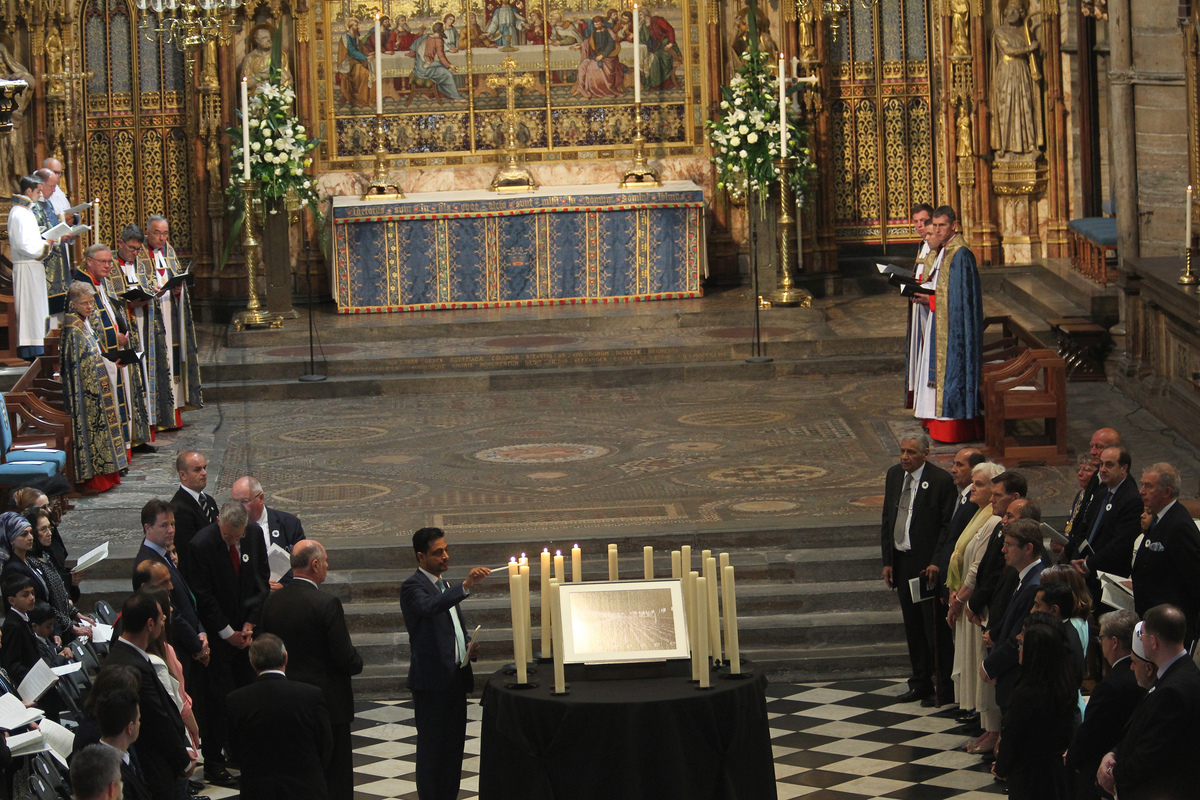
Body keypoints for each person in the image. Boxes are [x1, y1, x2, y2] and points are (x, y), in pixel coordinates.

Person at [260, 540, 362, 800]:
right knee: (335, 776)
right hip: (327, 703)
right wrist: (357, 662)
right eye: (325, 561)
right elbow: (344, 655)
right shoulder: (326, 603)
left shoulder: (272, 602)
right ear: (314, 564)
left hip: (288, 701)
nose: (327, 566)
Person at [401, 527, 491, 800]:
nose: (445, 556)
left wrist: (466, 646)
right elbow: (430, 608)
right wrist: (465, 586)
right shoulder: (413, 587)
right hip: (431, 683)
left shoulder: (444, 586)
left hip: (455, 678)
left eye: (446, 549)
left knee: (453, 751)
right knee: (432, 752)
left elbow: (450, 627)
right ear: (420, 556)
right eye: (437, 552)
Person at [183, 501, 268, 788]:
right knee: (217, 702)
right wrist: (227, 631)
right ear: (219, 521)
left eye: (237, 536)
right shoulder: (201, 544)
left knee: (247, 696)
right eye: (229, 536)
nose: (233, 541)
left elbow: (261, 582)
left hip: (247, 633)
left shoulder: (253, 535)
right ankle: (215, 764)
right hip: (220, 637)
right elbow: (203, 596)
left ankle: (243, 752)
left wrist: (250, 624)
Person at [880, 433, 956, 704]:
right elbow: (888, 518)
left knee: (932, 627)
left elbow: (947, 526)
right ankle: (919, 681)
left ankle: (943, 685)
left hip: (927, 566)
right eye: (902, 451)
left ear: (926, 453)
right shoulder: (893, 475)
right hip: (902, 561)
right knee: (912, 626)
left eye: (911, 452)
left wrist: (937, 560)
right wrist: (888, 560)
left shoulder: (940, 481)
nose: (904, 457)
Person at [1099, 605, 1200, 800]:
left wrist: (1113, 775)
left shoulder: (1173, 691)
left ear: (1153, 642)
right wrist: (1114, 753)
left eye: (1143, 636)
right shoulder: (1178, 673)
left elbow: (1149, 755)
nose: (1140, 640)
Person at [103, 589, 192, 800]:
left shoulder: (128, 655)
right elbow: (158, 719)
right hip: (155, 766)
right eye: (161, 619)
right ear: (150, 624)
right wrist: (183, 759)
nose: (164, 622)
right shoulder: (133, 664)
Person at [227, 634, 333, 800]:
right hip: (306, 789)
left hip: (257, 790)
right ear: (286, 658)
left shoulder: (236, 700)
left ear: (252, 663)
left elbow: (235, 748)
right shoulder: (311, 695)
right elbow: (325, 745)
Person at [946, 461, 1005, 752]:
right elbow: (962, 553)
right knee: (975, 664)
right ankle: (987, 727)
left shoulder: (993, 520)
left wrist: (962, 598)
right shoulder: (981, 514)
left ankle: (994, 730)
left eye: (980, 484)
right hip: (969, 599)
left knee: (984, 667)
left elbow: (981, 566)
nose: (974, 488)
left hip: (978, 604)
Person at [912, 206, 983, 443]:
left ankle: (954, 429)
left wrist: (929, 299)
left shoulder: (960, 254)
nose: (938, 230)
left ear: (954, 226)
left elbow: (960, 299)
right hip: (941, 320)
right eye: (936, 225)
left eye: (943, 225)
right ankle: (935, 422)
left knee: (952, 375)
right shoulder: (943, 250)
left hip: (956, 329)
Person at [76, 242, 152, 455]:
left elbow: (110, 310)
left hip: (119, 349)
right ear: (89, 262)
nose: (109, 266)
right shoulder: (81, 287)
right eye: (103, 262)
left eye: (110, 261)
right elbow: (88, 325)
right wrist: (113, 336)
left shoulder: (103, 282)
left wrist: (124, 331)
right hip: (102, 357)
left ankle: (125, 449)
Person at [1065, 610, 1144, 800]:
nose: (1101, 643)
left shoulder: (1109, 686)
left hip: (1100, 770)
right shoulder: (1145, 675)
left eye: (1102, 638)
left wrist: (1072, 758)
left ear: (1114, 642)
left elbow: (1090, 732)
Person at [992, 621, 1076, 798]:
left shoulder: (1026, 695)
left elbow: (1013, 737)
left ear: (1034, 654)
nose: (1019, 648)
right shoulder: (1063, 686)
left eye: (1022, 645)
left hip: (1029, 777)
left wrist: (1001, 767)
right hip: (1055, 774)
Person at [60, 281, 128, 493]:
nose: (90, 307)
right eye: (84, 303)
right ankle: (94, 479)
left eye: (91, 303)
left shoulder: (84, 324)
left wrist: (110, 362)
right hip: (85, 395)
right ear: (73, 304)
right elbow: (82, 364)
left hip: (97, 388)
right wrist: (110, 364)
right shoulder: (73, 331)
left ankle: (108, 476)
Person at [135, 498, 208, 686]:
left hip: (191, 642)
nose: (171, 530)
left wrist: (201, 631)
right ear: (147, 528)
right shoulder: (147, 564)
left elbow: (186, 598)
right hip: (178, 647)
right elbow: (169, 611)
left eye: (173, 524)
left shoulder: (165, 554)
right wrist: (196, 644)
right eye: (164, 525)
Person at [110, 225, 171, 445]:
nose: (135, 253)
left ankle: (149, 426)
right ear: (120, 244)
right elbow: (111, 299)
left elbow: (145, 284)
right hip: (127, 328)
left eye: (138, 249)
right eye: (132, 249)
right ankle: (135, 433)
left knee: (147, 375)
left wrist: (152, 292)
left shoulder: (141, 264)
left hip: (145, 326)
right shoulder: (111, 267)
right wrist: (128, 302)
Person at [137, 215, 201, 425]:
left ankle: (174, 412)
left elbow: (176, 280)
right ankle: (157, 414)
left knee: (173, 361)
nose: (162, 238)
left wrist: (177, 291)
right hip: (151, 316)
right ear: (147, 232)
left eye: (165, 233)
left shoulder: (170, 252)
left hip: (171, 314)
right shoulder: (140, 255)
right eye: (157, 233)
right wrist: (149, 290)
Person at [979, 518, 1046, 713]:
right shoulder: (1025, 577)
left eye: (1009, 545)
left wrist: (989, 665)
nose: (1003, 550)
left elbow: (1019, 635)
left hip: (1017, 678)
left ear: (1028, 548)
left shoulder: (1034, 585)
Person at [1130, 462, 1200, 646]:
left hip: (1171, 629)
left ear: (1167, 492)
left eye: (1148, 486)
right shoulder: (1160, 519)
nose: (1141, 491)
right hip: (1155, 622)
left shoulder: (1179, 526)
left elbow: (1195, 580)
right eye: (1142, 484)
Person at [1068, 446, 1142, 599]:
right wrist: (1076, 558)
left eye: (1109, 465)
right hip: (1087, 571)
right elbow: (1084, 527)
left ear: (1124, 468)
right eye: (1101, 464)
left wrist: (1089, 564)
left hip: (1108, 578)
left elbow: (1120, 544)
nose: (1102, 469)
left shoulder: (1131, 500)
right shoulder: (1102, 493)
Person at [26, 507, 91, 642]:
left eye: (49, 528)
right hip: (53, 629)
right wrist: (70, 626)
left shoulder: (45, 556)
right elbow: (48, 603)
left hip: (64, 623)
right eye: (43, 529)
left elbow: (59, 593)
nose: (49, 533)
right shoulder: (31, 563)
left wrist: (76, 614)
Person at [8, 174, 54, 360]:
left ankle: (38, 346)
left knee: (36, 311)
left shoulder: (25, 212)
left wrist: (45, 239)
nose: (40, 194)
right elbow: (24, 245)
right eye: (38, 191)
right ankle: (31, 349)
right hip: (27, 269)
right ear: (28, 191)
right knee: (31, 311)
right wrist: (45, 244)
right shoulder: (20, 213)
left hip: (33, 268)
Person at [231, 476, 304, 589]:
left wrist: (284, 586)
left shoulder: (289, 524)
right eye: (235, 502)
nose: (238, 507)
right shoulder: (230, 528)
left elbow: (301, 563)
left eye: (244, 501)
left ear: (261, 498)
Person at [904, 203, 937, 410]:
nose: (919, 226)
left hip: (930, 304)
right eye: (915, 221)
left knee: (928, 352)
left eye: (923, 221)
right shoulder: (923, 244)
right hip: (919, 302)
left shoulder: (936, 247)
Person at [93, 688, 152, 800]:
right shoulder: (113, 776)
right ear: (130, 728)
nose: (139, 723)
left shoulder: (104, 756)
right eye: (138, 719)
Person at [33, 166, 73, 321]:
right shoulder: (34, 207)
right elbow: (38, 233)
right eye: (52, 186)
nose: (55, 191)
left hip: (59, 264)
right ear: (41, 185)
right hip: (46, 266)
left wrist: (67, 236)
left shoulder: (48, 204)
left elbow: (54, 226)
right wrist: (58, 239)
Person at [171, 452, 218, 564]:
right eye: (198, 470)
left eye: (204, 468)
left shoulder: (209, 501)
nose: (204, 473)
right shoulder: (178, 508)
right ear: (183, 475)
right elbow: (189, 549)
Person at [571, 15, 625, 98]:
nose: (597, 26)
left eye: (598, 24)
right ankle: (581, 88)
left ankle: (593, 90)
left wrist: (602, 55)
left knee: (591, 68)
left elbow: (611, 45)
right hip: (596, 56)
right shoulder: (594, 33)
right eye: (595, 24)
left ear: (602, 23)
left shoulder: (608, 31)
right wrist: (580, 46)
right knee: (581, 66)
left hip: (608, 57)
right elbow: (589, 43)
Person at [410, 24, 463, 102]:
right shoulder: (438, 40)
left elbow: (413, 48)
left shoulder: (427, 36)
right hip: (426, 69)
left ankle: (429, 94)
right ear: (441, 30)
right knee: (448, 74)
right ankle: (456, 97)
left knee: (441, 69)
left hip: (419, 68)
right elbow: (441, 56)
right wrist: (449, 65)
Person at [641, 12, 681, 90]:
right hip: (656, 48)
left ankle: (656, 84)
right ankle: (649, 82)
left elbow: (670, 29)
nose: (639, 17)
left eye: (640, 14)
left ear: (646, 15)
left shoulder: (657, 21)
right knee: (648, 57)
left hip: (667, 47)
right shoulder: (643, 26)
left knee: (655, 58)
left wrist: (670, 43)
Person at [336, 19, 372, 106]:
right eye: (355, 25)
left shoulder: (354, 36)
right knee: (365, 73)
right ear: (350, 26)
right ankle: (361, 97)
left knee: (368, 69)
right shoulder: (346, 37)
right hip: (347, 61)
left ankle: (363, 95)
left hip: (355, 60)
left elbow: (360, 47)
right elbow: (351, 51)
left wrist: (368, 53)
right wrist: (365, 57)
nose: (357, 27)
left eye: (357, 25)